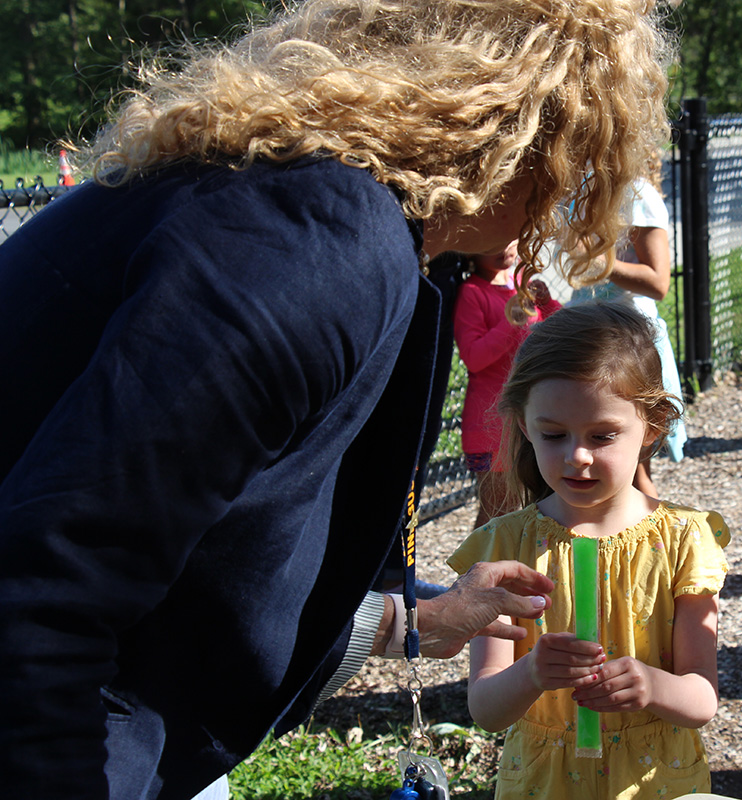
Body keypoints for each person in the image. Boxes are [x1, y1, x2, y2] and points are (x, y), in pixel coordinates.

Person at [0, 0, 673, 797]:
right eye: (575, 166)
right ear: (524, 140)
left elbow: (215, 553)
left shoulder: (317, 216)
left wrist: (417, 621)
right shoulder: (313, 244)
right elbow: (46, 592)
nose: (565, 199)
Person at [448, 302, 730, 800]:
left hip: (656, 782)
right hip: (542, 784)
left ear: (654, 425)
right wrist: (532, 672)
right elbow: (486, 709)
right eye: (553, 434)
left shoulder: (684, 540)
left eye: (602, 436)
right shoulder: (504, 547)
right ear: (524, 424)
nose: (577, 455)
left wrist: (652, 686)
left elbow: (702, 697)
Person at [569, 154, 687, 495]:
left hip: (629, 341)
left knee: (633, 475)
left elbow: (657, 281)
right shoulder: (586, 190)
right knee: (606, 471)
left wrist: (600, 260)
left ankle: (654, 547)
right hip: (594, 335)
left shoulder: (636, 196)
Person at [454, 240, 561, 528]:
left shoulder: (520, 285)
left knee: (534, 506)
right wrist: (511, 321)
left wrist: (548, 305)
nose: (502, 245)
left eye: (509, 237)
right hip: (490, 423)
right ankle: (475, 573)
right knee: (498, 510)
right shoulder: (471, 292)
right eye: (493, 239)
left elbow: (557, 334)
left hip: (530, 417)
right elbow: (474, 357)